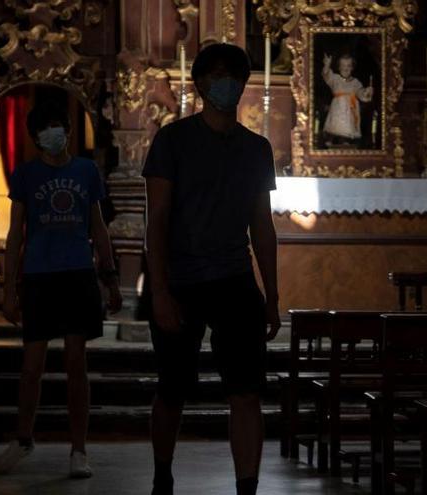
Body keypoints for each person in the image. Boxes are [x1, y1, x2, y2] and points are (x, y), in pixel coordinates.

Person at [142, 42, 280, 495]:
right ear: (200, 84)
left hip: (235, 280)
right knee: (173, 390)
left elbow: (262, 224)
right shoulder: (173, 141)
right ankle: (163, 474)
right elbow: (157, 220)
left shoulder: (256, 149)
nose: (227, 84)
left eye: (235, 76)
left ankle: (247, 488)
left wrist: (272, 295)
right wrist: (159, 291)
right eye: (218, 75)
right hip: (180, 280)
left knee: (245, 392)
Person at [0, 100, 122, 478]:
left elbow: (98, 227)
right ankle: (23, 438)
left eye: (57, 127)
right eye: (43, 130)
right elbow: (17, 234)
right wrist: (10, 293)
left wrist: (110, 278)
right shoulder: (26, 174)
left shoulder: (85, 171)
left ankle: (79, 450)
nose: (52, 134)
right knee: (31, 367)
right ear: (34, 138)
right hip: (39, 276)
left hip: (78, 273)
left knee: (76, 365)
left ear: (67, 130)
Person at [321, 53, 373, 144]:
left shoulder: (355, 82)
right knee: (335, 125)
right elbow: (326, 75)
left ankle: (345, 140)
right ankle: (331, 139)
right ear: (339, 67)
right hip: (337, 108)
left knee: (347, 127)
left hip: (350, 110)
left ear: (352, 67)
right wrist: (327, 65)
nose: (346, 68)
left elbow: (361, 94)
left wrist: (367, 92)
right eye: (343, 65)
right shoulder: (335, 79)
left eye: (349, 66)